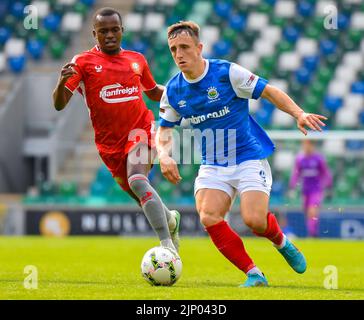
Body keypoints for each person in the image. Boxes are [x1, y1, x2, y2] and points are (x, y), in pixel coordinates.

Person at [156, 21, 327, 287]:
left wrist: (299, 113)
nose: (179, 54)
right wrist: (164, 155)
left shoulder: (227, 73)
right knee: (208, 215)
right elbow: (164, 129)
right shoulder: (173, 91)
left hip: (248, 157)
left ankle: (281, 241)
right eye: (173, 49)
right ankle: (254, 273)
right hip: (213, 163)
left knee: (255, 221)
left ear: (199, 48)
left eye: (185, 47)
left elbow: (269, 91)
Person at [52, 7, 180, 253]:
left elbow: (152, 91)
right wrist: (60, 84)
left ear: (122, 31)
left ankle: (167, 249)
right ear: (94, 34)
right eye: (103, 31)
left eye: (114, 30)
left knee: (138, 180)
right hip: (109, 145)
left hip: (140, 131)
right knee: (139, 194)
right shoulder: (83, 62)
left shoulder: (137, 60)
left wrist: (181, 94)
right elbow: (59, 105)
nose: (109, 35)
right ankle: (171, 220)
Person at [289, 139, 333, 237]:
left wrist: (329, 186)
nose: (306, 147)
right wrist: (292, 187)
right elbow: (296, 174)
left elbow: (326, 172)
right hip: (305, 190)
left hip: (316, 189)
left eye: (308, 145)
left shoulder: (318, 159)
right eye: (304, 145)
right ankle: (313, 231)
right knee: (307, 212)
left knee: (312, 211)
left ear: (312, 146)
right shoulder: (300, 159)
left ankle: (312, 234)